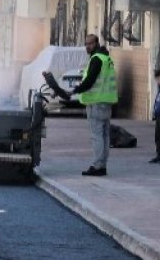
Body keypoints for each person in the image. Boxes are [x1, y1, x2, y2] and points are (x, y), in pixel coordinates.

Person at [45, 34, 117, 177]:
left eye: (90, 44)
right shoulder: (106, 58)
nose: (87, 46)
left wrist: (74, 91)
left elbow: (90, 81)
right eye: (86, 44)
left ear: (96, 43)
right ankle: (102, 164)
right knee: (104, 135)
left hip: (96, 102)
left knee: (97, 136)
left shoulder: (96, 59)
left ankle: (98, 166)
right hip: (106, 102)